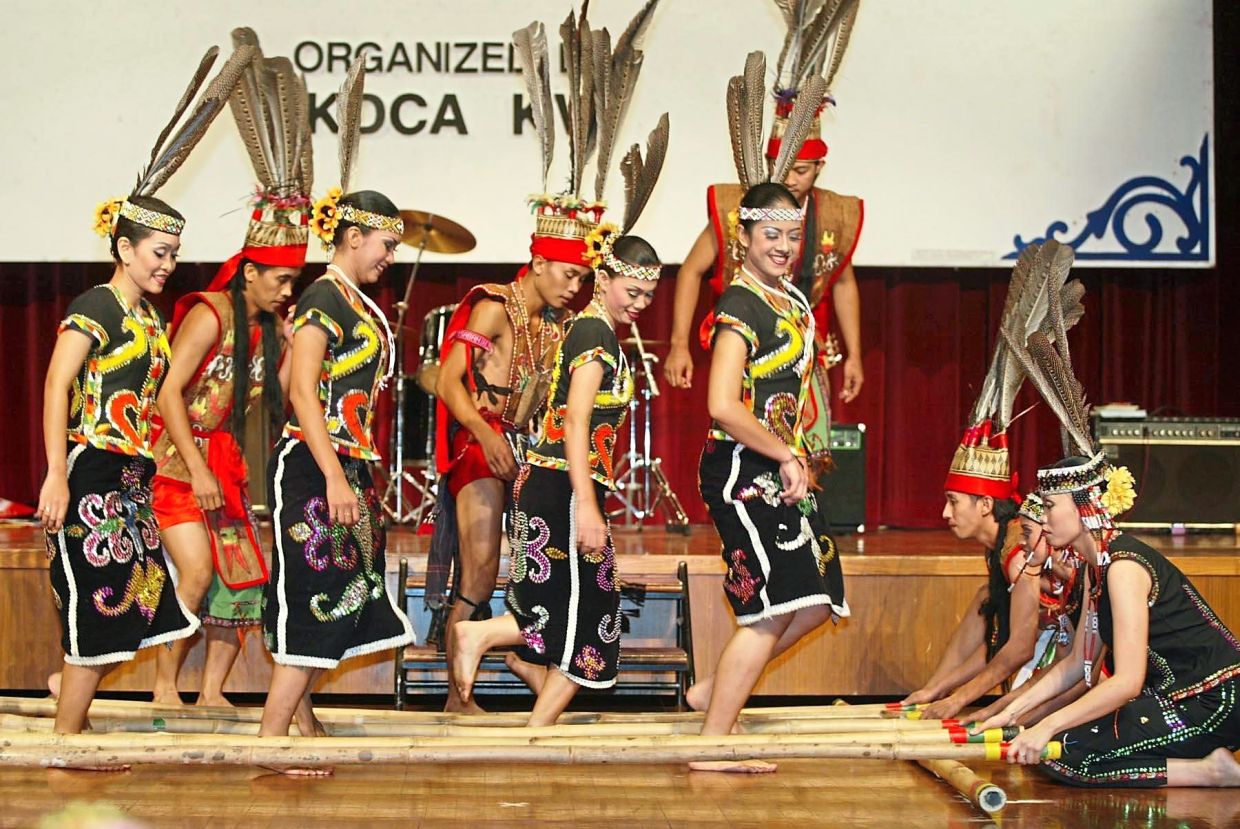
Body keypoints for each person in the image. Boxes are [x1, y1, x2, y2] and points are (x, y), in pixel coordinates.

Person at [426, 5, 663, 712]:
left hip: (522, 450)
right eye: (565, 273)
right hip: (476, 444)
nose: (574, 283)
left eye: (581, 275)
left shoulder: (560, 323)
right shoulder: (495, 304)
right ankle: (454, 691)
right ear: (537, 260)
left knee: (529, 583)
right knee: (480, 564)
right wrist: (488, 434)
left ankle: (531, 695)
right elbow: (444, 379)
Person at [36, 43, 254, 741]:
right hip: (93, 465)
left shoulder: (150, 320)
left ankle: (66, 706)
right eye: (157, 252)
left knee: (132, 601)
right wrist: (53, 473)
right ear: (124, 248)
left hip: (133, 474)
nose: (168, 264)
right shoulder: (99, 304)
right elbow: (56, 381)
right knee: (99, 608)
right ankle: (68, 741)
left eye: (172, 254)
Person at [975, 313, 1240, 788]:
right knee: (1061, 750)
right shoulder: (1098, 568)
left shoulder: (1124, 567)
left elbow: (1127, 681)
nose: (1044, 519)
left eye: (1051, 506)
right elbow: (1078, 663)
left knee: (1066, 753)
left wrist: (1046, 726)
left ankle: (1209, 772)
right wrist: (1010, 714)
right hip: (1177, 697)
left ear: (1085, 507)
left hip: (1212, 699)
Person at [258, 56, 413, 764]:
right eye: (385, 244)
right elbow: (299, 392)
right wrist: (334, 475)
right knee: (321, 594)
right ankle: (268, 738)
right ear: (354, 237)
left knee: (341, 595)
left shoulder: (347, 301)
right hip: (315, 467)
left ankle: (301, 723)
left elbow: (295, 371)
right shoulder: (325, 296)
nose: (390, 256)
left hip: (336, 463)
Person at [149, 31, 309, 718]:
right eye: (279, 280)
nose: (286, 291)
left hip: (227, 461)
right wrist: (197, 464)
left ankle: (212, 688)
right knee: (196, 570)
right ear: (250, 270)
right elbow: (167, 394)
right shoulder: (211, 314)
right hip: (178, 458)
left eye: (294, 281)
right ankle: (163, 683)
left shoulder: (273, 325)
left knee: (242, 580)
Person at [452, 233, 664, 725]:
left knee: (584, 611)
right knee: (587, 613)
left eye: (648, 295)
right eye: (631, 291)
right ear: (605, 280)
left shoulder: (591, 329)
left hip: (558, 484)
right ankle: (480, 637)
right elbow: (576, 422)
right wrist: (587, 506)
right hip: (563, 487)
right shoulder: (595, 334)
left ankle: (535, 728)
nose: (640, 304)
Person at [690, 182, 849, 773]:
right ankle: (712, 745)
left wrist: (798, 457)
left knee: (816, 599)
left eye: (791, 235)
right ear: (745, 238)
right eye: (770, 235)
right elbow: (723, 404)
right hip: (742, 467)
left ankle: (714, 692)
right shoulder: (740, 306)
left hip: (782, 464)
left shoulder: (791, 301)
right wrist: (784, 454)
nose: (783, 246)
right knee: (770, 609)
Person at [665, 1, 865, 459]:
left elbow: (845, 282)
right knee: (743, 451)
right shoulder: (739, 206)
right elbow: (692, 269)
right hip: (747, 341)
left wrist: (854, 353)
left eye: (804, 169)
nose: (793, 178)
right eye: (786, 168)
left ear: (819, 167)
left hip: (800, 346)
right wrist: (678, 344)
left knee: (810, 459)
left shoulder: (835, 213)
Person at [902, 240, 1086, 720]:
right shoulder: (1001, 548)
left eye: (953, 501)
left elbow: (1019, 648)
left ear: (985, 504)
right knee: (986, 601)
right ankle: (932, 686)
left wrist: (959, 703)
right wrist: (937, 692)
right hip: (1048, 646)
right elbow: (998, 636)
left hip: (1073, 659)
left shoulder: (1018, 551)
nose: (945, 513)